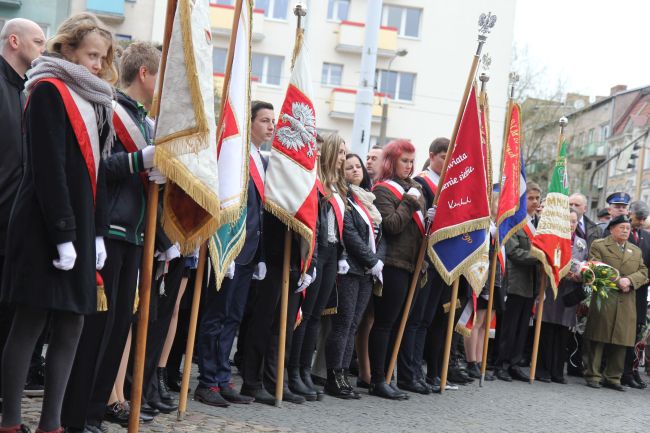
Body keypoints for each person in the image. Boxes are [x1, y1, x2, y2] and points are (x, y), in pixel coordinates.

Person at [0, 12, 116, 433]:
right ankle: (11, 422)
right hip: (43, 225)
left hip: (81, 227)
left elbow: (98, 173)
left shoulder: (95, 99)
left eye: (102, 57)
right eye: (90, 55)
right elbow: (48, 169)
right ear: (66, 49)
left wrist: (98, 230)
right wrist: (65, 235)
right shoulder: (47, 89)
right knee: (30, 321)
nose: (98, 65)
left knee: (73, 322)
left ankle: (52, 424)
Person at [62, 41, 165, 432]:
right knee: (96, 333)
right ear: (144, 74)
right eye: (160, 76)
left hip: (135, 235)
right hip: (110, 232)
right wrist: (142, 160)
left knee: (119, 328)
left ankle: (92, 414)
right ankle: (75, 416)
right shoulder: (111, 110)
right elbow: (98, 167)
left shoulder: (143, 119)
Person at [194, 101, 272, 407]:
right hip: (228, 247)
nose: (271, 126)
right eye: (264, 120)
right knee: (217, 314)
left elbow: (259, 211)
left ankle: (223, 377)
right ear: (249, 122)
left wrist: (261, 255)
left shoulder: (258, 159)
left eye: (272, 120)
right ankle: (207, 381)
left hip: (249, 251)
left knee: (233, 317)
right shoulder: (233, 155)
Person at [0, 18, 46, 405]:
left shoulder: (28, 92)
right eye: (38, 42)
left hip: (15, 224)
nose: (43, 49)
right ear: (14, 41)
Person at [288, 133, 348, 401]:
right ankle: (293, 372)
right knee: (306, 313)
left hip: (333, 253)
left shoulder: (338, 186)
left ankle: (303, 370)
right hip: (318, 251)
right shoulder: (318, 183)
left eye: (346, 153)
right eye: (342, 152)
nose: (344, 158)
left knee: (315, 316)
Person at [370, 139, 430, 399]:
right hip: (394, 263)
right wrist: (409, 202)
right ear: (391, 161)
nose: (409, 165)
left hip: (414, 265)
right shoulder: (382, 190)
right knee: (385, 323)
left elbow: (418, 228)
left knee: (401, 325)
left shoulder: (416, 188)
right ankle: (377, 379)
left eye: (411, 161)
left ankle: (389, 376)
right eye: (404, 160)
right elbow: (392, 225)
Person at [323, 154, 384, 399]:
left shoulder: (367, 198)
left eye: (358, 166)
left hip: (368, 272)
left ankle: (343, 374)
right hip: (349, 269)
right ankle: (333, 376)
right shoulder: (345, 199)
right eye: (350, 167)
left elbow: (380, 235)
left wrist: (377, 260)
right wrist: (372, 260)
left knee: (354, 325)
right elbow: (348, 232)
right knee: (343, 324)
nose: (356, 170)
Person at [399, 137, 448, 394]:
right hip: (423, 257)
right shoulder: (421, 181)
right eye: (442, 156)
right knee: (415, 318)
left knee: (426, 320)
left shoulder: (447, 184)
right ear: (432, 155)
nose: (446, 161)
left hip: (440, 258)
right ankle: (408, 374)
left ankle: (417, 371)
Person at [583, 215, 648, 391]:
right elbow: (594, 265)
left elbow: (643, 271)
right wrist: (617, 280)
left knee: (621, 340)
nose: (625, 230)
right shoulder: (600, 244)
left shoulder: (635, 250)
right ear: (612, 229)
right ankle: (593, 375)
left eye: (627, 228)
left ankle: (613, 377)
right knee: (598, 336)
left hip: (627, 300)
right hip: (606, 297)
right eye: (621, 227)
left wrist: (630, 281)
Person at [495, 181, 541, 382]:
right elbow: (514, 252)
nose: (535, 202)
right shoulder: (515, 222)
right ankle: (501, 364)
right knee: (509, 327)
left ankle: (514, 363)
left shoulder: (539, 224)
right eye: (530, 198)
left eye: (537, 198)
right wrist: (540, 256)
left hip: (532, 284)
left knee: (523, 327)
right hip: (515, 281)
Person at [536, 209, 586, 384]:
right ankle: (543, 369)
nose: (571, 225)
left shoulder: (581, 243)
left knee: (563, 333)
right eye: (568, 221)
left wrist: (580, 276)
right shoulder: (553, 240)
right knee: (548, 330)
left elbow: (585, 266)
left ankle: (557, 371)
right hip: (552, 290)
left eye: (573, 222)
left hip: (569, 292)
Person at [621, 201, 650, 389]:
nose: (640, 222)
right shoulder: (621, 233)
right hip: (624, 290)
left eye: (643, 219)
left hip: (641, 292)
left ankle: (631, 370)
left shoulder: (646, 236)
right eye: (638, 218)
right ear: (630, 214)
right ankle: (622, 371)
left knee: (636, 334)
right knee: (623, 332)